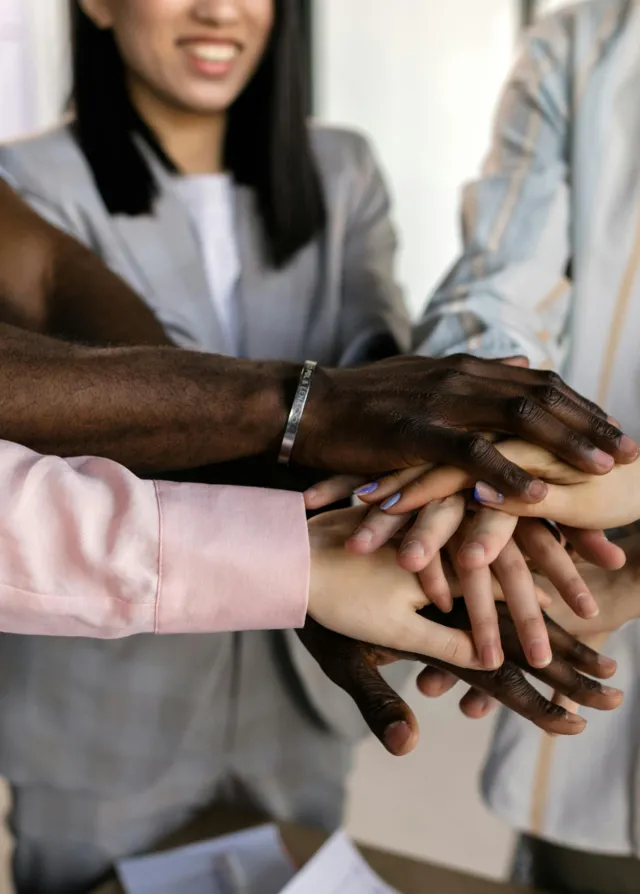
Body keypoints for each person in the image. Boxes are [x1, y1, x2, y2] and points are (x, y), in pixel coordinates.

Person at [2, 1, 633, 889]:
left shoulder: (341, 168)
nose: (219, 8)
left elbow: (386, 368)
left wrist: (439, 493)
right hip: (104, 689)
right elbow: (58, 409)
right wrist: (341, 456)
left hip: (314, 673)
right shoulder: (23, 175)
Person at [366, 1, 640, 890]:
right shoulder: (582, 43)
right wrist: (487, 447)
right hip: (582, 695)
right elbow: (500, 283)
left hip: (580, 587)